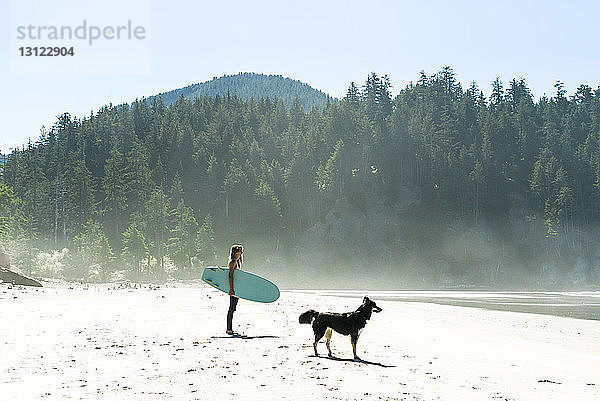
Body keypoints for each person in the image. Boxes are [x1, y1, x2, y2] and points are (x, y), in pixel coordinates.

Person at [226, 244, 243, 335]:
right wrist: (231, 289)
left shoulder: (237, 262)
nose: (241, 252)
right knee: (231, 308)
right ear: (235, 252)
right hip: (233, 288)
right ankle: (229, 329)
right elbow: (230, 276)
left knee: (233, 308)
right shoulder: (233, 262)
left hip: (236, 288)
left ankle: (230, 328)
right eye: (240, 250)